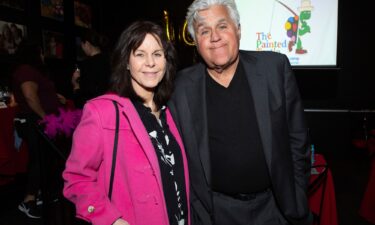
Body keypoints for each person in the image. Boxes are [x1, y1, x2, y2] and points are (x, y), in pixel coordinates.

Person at [168, 0, 313, 225]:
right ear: (196, 42)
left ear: (238, 29)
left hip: (275, 208)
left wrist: (297, 197)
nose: (215, 36)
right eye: (204, 31)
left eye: (222, 26)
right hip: (215, 213)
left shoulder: (274, 68)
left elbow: (298, 139)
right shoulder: (181, 88)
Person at [63, 21, 190, 225]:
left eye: (157, 54)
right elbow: (76, 179)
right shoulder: (102, 112)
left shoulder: (172, 111)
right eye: (140, 54)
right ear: (127, 62)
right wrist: (111, 219)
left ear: (166, 61)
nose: (150, 62)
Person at [12, 42, 64, 219]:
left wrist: (55, 97)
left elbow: (38, 93)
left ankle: (40, 194)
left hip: (40, 120)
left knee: (44, 158)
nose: (43, 57)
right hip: (35, 121)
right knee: (37, 160)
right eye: (41, 53)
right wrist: (45, 117)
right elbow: (29, 95)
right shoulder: (26, 69)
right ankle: (28, 200)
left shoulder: (31, 71)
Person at [71, 29, 111, 108]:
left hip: (94, 110)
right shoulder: (110, 60)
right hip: (110, 108)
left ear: (86, 43)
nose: (82, 48)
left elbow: (83, 100)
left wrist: (75, 85)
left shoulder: (86, 65)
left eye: (82, 45)